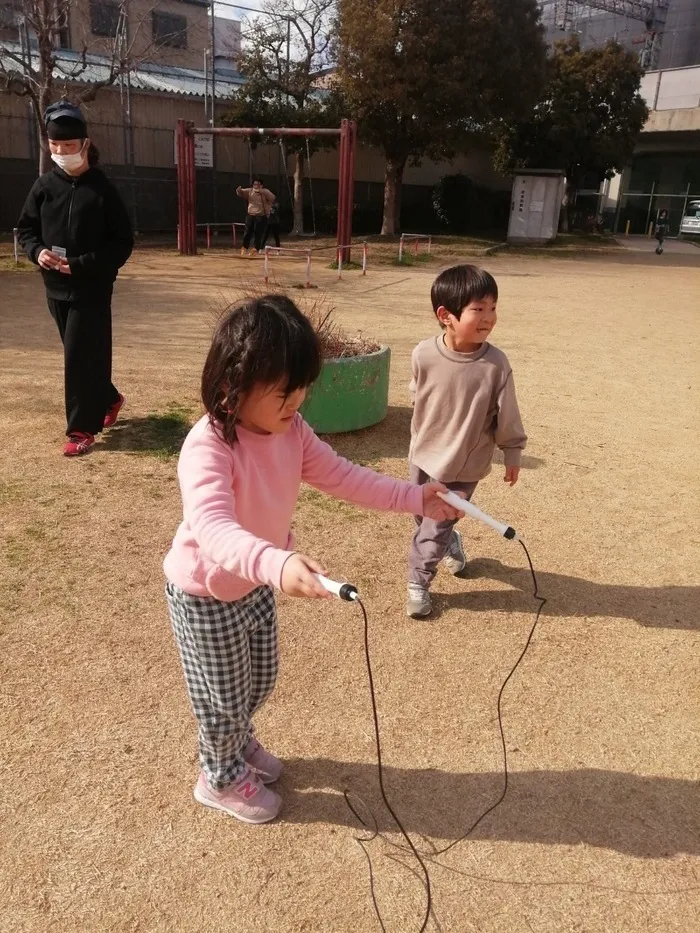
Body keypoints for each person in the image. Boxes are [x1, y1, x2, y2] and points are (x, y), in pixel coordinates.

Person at [163, 294, 463, 824]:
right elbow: (213, 529)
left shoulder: (291, 431)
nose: (296, 400)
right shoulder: (208, 446)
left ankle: (237, 742)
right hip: (206, 593)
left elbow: (345, 476)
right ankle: (220, 775)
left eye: (302, 386)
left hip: (255, 583)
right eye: (283, 389)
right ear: (233, 384)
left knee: (260, 679)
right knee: (224, 695)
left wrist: (415, 498)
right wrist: (277, 564)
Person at [406, 264, 527, 619]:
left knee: (434, 525)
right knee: (420, 516)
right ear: (446, 315)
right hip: (423, 456)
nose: (488, 317)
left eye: (492, 308)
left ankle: (418, 582)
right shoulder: (423, 354)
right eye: (478, 309)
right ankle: (448, 542)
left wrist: (513, 452)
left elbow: (508, 414)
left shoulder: (496, 364)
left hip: (464, 466)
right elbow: (417, 392)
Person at [16, 99, 133, 457]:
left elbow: (122, 243)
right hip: (54, 287)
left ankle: (81, 428)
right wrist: (37, 253)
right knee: (80, 353)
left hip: (92, 287)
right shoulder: (43, 187)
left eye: (69, 146)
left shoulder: (103, 190)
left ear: (85, 143)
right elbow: (25, 229)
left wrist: (82, 264)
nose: (62, 152)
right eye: (56, 146)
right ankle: (110, 398)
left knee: (77, 358)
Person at [235, 177, 275, 256]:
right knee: (247, 232)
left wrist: (261, 191)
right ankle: (244, 248)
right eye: (255, 184)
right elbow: (241, 192)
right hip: (251, 215)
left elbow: (272, 198)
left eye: (258, 184)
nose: (256, 186)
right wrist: (238, 190)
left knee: (258, 233)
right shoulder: (250, 191)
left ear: (262, 185)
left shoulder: (265, 191)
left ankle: (255, 249)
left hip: (261, 216)